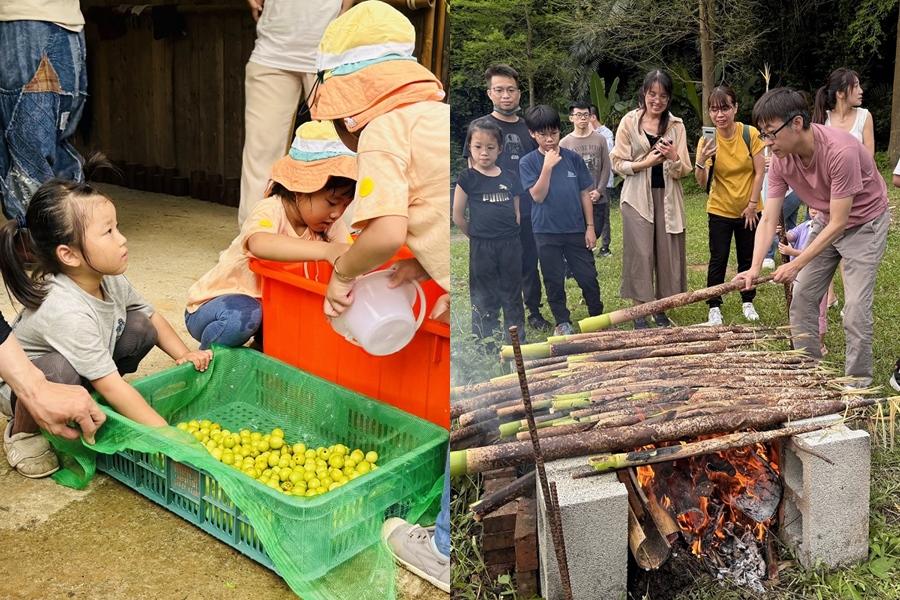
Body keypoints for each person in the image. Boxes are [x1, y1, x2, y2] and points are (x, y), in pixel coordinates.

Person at [310, 3, 449, 591]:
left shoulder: (384, 130)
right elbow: (440, 210)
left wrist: (342, 272)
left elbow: (387, 229)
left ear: (349, 100)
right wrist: (422, 268)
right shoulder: (436, 117)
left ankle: (444, 547)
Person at [0, 173, 212, 478]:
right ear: (69, 255)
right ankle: (22, 432)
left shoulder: (107, 275)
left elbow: (147, 314)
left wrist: (182, 354)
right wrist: (170, 440)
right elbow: (111, 384)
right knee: (60, 370)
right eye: (108, 232)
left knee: (139, 327)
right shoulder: (65, 309)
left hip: (82, 360)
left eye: (117, 227)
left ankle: (91, 394)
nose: (122, 238)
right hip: (21, 386)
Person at [735, 88, 889, 386]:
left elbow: (841, 223)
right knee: (803, 297)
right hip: (827, 218)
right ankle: (810, 375)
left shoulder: (840, 151)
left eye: (770, 134)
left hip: (864, 223)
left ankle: (857, 385)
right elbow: (768, 217)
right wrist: (754, 267)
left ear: (795, 123)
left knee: (855, 309)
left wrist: (795, 264)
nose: (767, 144)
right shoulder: (780, 159)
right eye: (763, 135)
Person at [186, 121, 355, 349]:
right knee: (245, 315)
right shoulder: (271, 209)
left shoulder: (329, 223)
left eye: (345, 205)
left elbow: (349, 254)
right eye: (332, 202)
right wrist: (327, 251)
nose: (338, 213)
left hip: (270, 308)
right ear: (300, 188)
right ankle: (209, 367)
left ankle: (259, 352)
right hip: (216, 305)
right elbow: (259, 242)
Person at [237, 0, 353, 226]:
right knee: (261, 151)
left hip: (331, 52)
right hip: (271, 51)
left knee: (342, 149)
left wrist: (346, 9)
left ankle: (350, 242)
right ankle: (253, 238)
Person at [464, 65, 551, 330]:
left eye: (510, 90)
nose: (505, 95)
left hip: (528, 208)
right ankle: (490, 320)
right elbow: (472, 170)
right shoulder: (481, 128)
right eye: (499, 90)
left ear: (519, 93)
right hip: (493, 214)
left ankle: (533, 312)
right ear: (489, 93)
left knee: (528, 262)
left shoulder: (529, 128)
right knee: (492, 268)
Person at [610, 70, 690, 329]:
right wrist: (645, 162)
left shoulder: (676, 126)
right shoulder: (629, 122)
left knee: (667, 254)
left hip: (666, 197)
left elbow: (684, 169)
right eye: (652, 94)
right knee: (640, 254)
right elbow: (617, 162)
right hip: (636, 198)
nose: (657, 100)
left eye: (663, 96)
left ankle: (662, 310)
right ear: (644, 93)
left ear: (669, 98)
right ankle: (640, 312)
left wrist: (674, 157)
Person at [519, 105, 603, 336]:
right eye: (543, 134)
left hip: (576, 230)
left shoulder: (573, 159)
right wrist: (547, 167)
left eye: (554, 133)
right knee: (553, 279)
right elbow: (537, 195)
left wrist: (590, 228)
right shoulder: (528, 162)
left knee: (587, 276)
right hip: (546, 232)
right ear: (532, 134)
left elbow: (584, 193)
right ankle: (562, 321)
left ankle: (597, 316)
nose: (549, 139)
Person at [0, 1, 87, 220]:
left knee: (46, 150)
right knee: (38, 151)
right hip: (32, 19)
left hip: (50, 20)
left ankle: (55, 236)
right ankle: (49, 239)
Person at [693, 86, 766, 326]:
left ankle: (748, 300)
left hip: (750, 209)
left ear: (735, 108)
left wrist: (752, 204)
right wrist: (702, 161)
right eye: (714, 109)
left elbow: (759, 172)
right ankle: (714, 305)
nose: (719, 114)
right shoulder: (707, 140)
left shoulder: (750, 134)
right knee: (718, 259)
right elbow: (702, 182)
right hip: (719, 209)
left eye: (725, 108)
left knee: (748, 257)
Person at [453, 118, 526, 346]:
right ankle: (486, 341)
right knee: (485, 295)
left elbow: (516, 211)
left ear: (500, 149)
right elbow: (457, 215)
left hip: (510, 245)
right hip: (482, 247)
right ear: (470, 148)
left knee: (512, 291)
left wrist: (510, 229)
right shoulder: (467, 179)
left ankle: (516, 340)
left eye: (490, 148)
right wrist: (476, 236)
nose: (484, 153)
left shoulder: (510, 178)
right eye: (478, 147)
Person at [1, 314, 105, 444]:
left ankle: (72, 404)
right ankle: (23, 435)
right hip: (11, 381)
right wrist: (35, 390)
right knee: (59, 369)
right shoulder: (59, 306)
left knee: (133, 330)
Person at [561, 101, 612, 260]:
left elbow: (606, 166)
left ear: (591, 117)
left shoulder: (600, 139)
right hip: (575, 200)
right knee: (577, 234)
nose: (583, 118)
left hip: (598, 197)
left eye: (586, 115)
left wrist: (599, 190)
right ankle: (578, 262)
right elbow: (563, 174)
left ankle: (581, 259)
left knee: (595, 231)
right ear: (571, 118)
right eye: (578, 115)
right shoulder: (565, 143)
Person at [778, 208, 829, 355]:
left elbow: (815, 252)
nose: (814, 210)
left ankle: (819, 343)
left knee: (819, 311)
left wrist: (792, 252)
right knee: (799, 307)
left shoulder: (824, 231)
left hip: (818, 275)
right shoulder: (805, 226)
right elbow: (790, 236)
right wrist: (781, 232)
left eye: (818, 208)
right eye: (811, 207)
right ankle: (801, 340)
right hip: (798, 276)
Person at [813, 67, 874, 156]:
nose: (861, 91)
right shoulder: (824, 119)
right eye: (856, 86)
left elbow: (869, 159)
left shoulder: (864, 116)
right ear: (840, 93)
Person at [590, 104, 617, 254]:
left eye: (587, 117)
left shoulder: (606, 134)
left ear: (593, 117)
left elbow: (607, 153)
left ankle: (605, 246)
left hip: (604, 182)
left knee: (604, 215)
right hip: (588, 183)